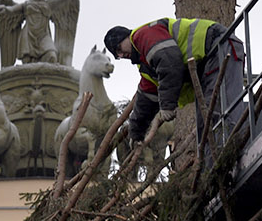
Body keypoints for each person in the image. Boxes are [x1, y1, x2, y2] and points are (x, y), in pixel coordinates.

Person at [103, 18, 245, 154]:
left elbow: (169, 64)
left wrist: (167, 106)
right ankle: (213, 171)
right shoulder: (147, 65)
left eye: (119, 48)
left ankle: (231, 155)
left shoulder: (143, 35)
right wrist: (136, 133)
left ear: (126, 37)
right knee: (206, 123)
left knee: (220, 112)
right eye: (118, 55)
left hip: (219, 46)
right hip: (209, 62)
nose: (122, 55)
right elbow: (146, 99)